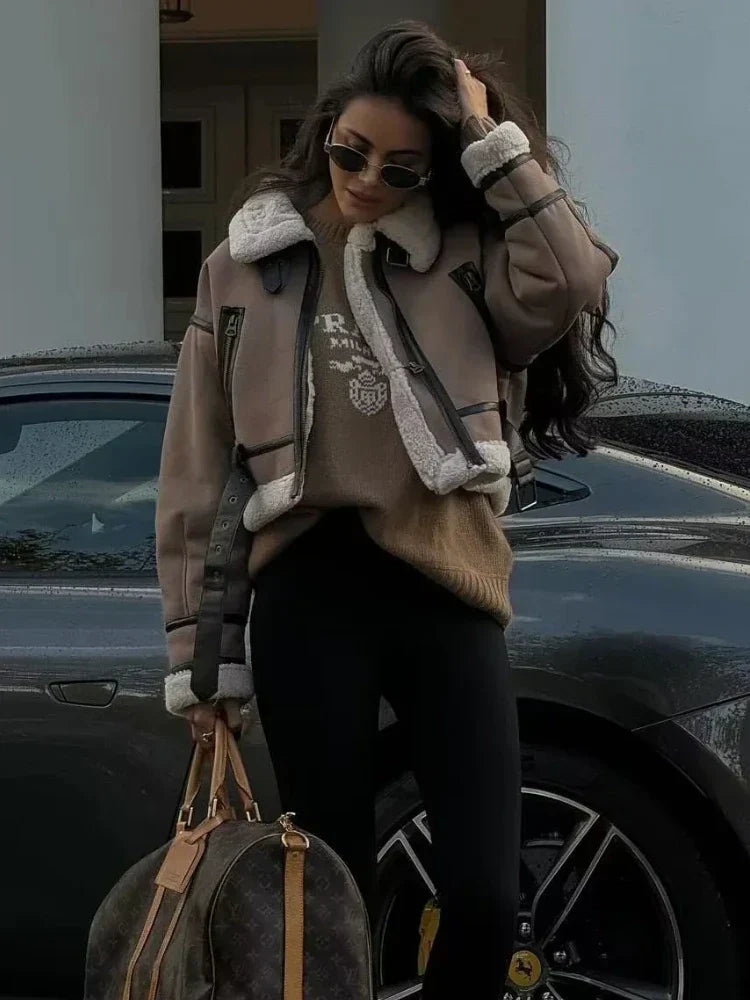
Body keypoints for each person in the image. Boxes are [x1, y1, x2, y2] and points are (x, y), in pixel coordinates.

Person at [155, 20, 619, 999]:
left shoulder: (464, 255)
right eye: (351, 152)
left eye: (401, 168)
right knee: (330, 896)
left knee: (486, 896)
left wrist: (492, 142)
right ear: (324, 131)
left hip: (447, 584)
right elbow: (198, 469)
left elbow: (574, 277)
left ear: (435, 169)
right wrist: (204, 662)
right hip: (309, 592)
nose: (368, 180)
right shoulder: (245, 265)